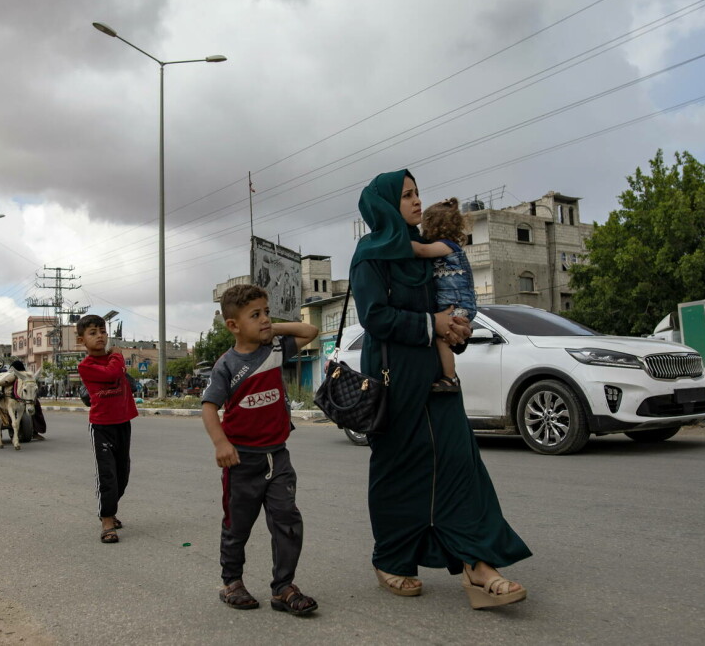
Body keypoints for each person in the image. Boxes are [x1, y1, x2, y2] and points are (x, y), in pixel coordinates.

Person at [350, 169, 531, 609]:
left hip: (441, 380)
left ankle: (478, 565)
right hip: (395, 381)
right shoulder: (370, 254)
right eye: (406, 195)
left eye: (417, 193)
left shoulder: (429, 254)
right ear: (384, 204)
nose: (415, 202)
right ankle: (392, 557)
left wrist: (457, 330)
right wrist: (430, 323)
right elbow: (375, 317)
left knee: (461, 465)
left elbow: (448, 302)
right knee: (397, 472)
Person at [201, 284, 320, 615]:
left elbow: (310, 329)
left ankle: (283, 587)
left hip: (278, 456)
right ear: (233, 326)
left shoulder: (277, 349)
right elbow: (209, 407)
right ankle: (232, 582)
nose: (265, 319)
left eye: (266, 312)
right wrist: (221, 443)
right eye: (256, 315)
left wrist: (269, 327)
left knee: (287, 521)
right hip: (242, 461)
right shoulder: (226, 365)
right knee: (237, 526)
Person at [76, 314, 138, 544]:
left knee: (123, 473)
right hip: (102, 426)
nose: (100, 336)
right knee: (107, 475)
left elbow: (117, 370)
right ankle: (107, 520)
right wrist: (118, 358)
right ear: (82, 340)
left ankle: (111, 508)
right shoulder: (86, 366)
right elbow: (112, 373)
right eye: (93, 333)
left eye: (102, 331)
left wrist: (118, 359)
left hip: (123, 422)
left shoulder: (116, 358)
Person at [411, 197, 476, 392]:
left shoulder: (447, 246)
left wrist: (397, 240)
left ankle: (450, 377)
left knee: (442, 338)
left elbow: (421, 250)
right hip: (453, 303)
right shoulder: (447, 247)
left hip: (458, 304)